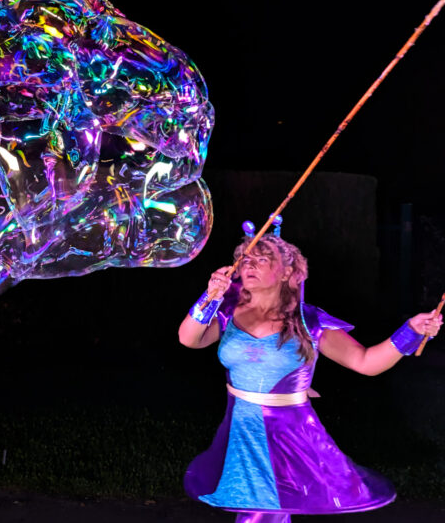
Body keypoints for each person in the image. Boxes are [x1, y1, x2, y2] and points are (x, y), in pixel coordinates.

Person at [177, 224, 442, 523]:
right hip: (240, 430)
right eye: (246, 258)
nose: (250, 262)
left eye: (263, 258)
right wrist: (209, 297)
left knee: (262, 514)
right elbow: (189, 339)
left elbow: (366, 362)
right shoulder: (225, 310)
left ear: (287, 273)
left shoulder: (310, 321)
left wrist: (411, 332)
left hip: (286, 435)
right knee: (263, 512)